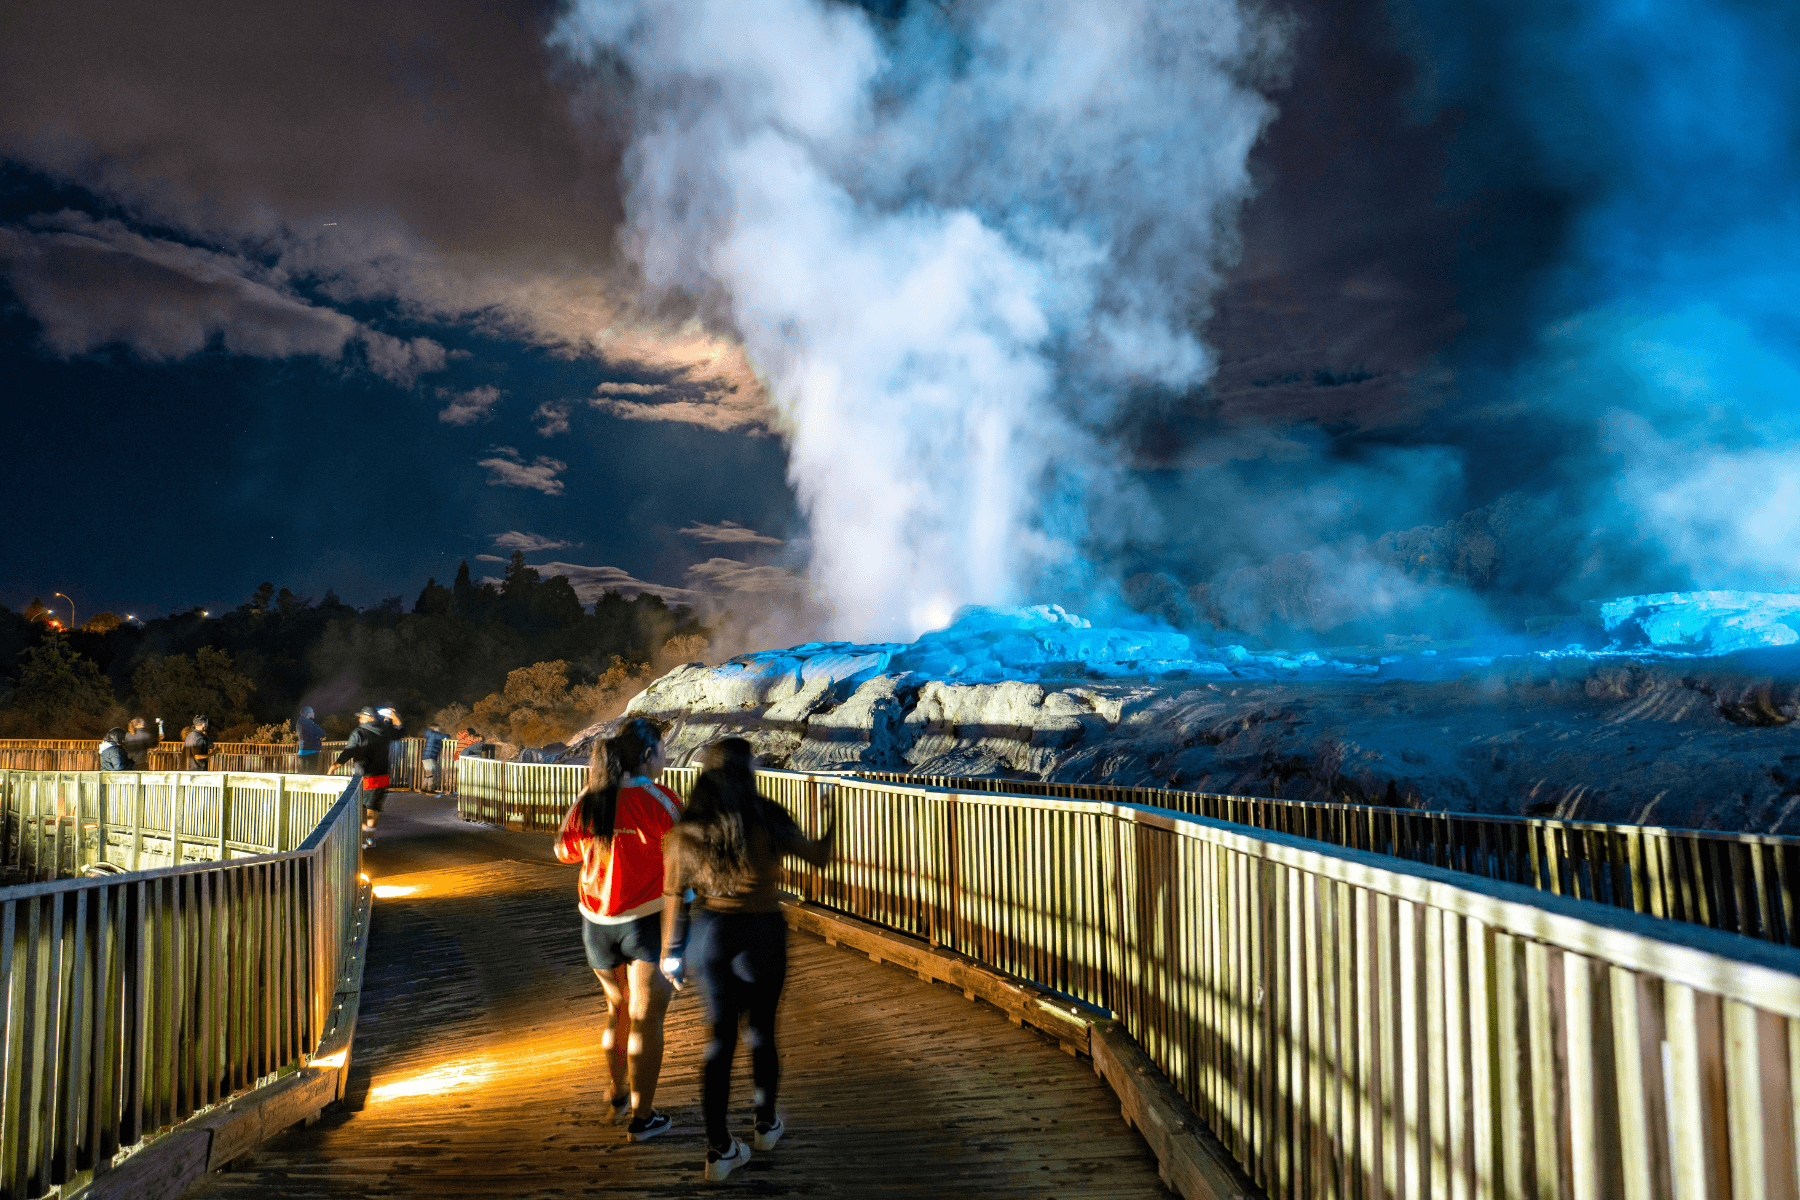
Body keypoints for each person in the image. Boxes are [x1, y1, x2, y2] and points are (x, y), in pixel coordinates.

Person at [660, 738, 836, 1182]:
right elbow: (818, 858)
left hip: (711, 935)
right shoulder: (767, 815)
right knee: (761, 1031)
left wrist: (669, 953)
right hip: (762, 933)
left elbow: (673, 895)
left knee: (718, 1041)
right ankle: (765, 1123)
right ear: (746, 773)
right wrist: (831, 818)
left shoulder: (687, 830)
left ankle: (719, 1149)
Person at [554, 718, 683, 1142]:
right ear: (647, 755)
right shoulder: (662, 800)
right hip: (645, 922)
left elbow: (563, 850)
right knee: (646, 1019)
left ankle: (617, 1092)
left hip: (596, 924)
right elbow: (683, 865)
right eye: (662, 750)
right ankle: (643, 1119)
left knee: (617, 1009)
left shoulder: (590, 798)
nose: (665, 758)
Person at [335, 707, 392, 849]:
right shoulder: (384, 731)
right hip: (383, 777)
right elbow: (391, 728)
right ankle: (370, 839)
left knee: (359, 808)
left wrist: (335, 765)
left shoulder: (359, 732)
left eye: (362, 717)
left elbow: (349, 752)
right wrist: (389, 718)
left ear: (369, 718)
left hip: (366, 778)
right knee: (374, 809)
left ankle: (360, 836)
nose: (359, 719)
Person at [296, 706, 327, 775]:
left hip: (301, 750)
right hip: (312, 751)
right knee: (312, 774)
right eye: (312, 712)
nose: (314, 713)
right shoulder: (311, 724)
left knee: (302, 774)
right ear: (308, 714)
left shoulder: (299, 723)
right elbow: (322, 733)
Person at [421, 723, 449, 794]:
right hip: (430, 756)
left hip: (426, 756)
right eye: (437, 728)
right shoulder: (433, 734)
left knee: (428, 774)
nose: (439, 729)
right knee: (431, 774)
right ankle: (429, 789)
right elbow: (443, 736)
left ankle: (423, 788)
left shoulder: (430, 734)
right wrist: (447, 736)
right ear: (434, 728)